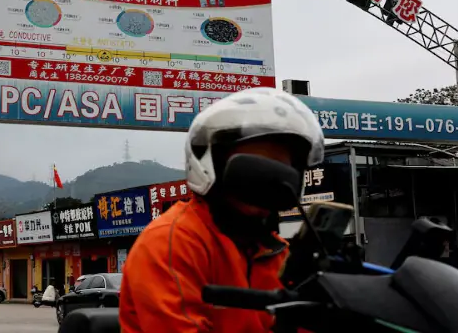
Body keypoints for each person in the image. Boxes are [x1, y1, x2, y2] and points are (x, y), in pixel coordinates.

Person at [119, 88, 324, 333]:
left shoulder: (278, 255)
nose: (268, 179)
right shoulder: (171, 243)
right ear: (213, 163)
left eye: (282, 169)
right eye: (253, 166)